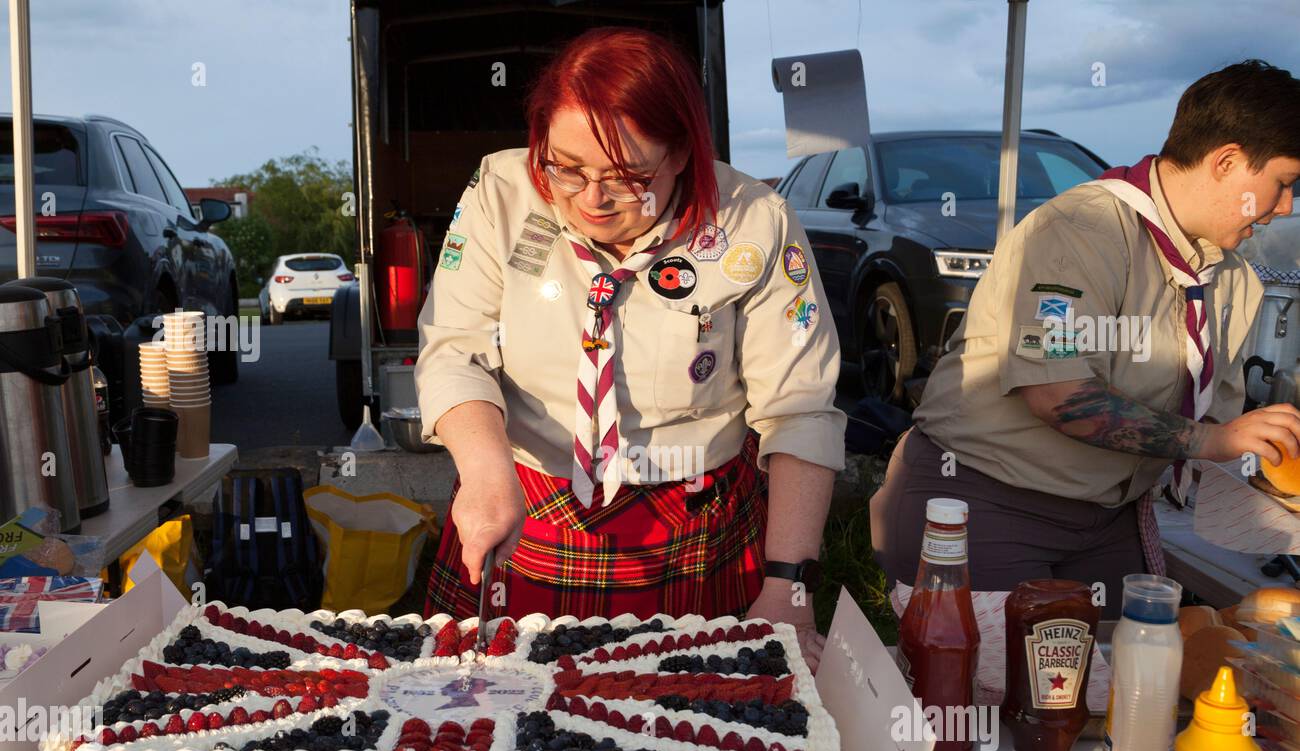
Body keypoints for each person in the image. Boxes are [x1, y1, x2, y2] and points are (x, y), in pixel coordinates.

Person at [415, 28, 844, 670]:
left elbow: (800, 408)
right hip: (527, 507)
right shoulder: (502, 194)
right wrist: (481, 471)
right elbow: (456, 351)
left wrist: (788, 584)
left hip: (693, 525)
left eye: (626, 176)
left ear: (681, 154)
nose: (591, 199)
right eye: (566, 167)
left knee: (689, 729)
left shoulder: (753, 222)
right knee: (498, 733)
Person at [872, 60, 1300, 615]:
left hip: (1109, 517)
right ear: (1227, 161)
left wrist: (1258, 450)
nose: (1285, 207)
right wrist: (1212, 441)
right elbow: (1062, 396)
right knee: (987, 690)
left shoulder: (1231, 278)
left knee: (1125, 687)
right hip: (991, 501)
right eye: (1283, 184)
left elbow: (1211, 423)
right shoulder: (1081, 231)